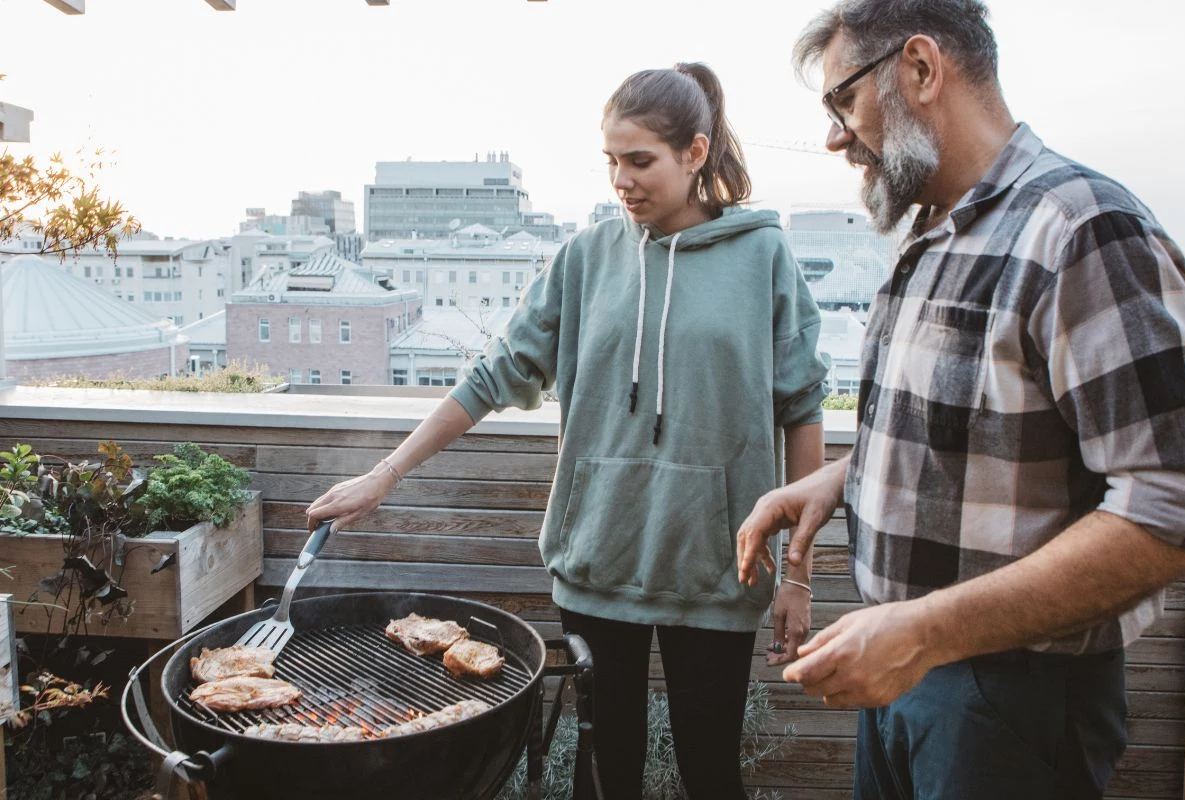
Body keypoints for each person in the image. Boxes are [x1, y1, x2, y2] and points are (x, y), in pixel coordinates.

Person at [306, 62, 829, 800]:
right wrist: (383, 475)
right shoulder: (584, 260)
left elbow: (802, 410)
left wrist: (799, 573)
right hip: (598, 561)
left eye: (641, 160)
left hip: (718, 566)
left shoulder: (763, 258)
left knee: (710, 775)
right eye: (612, 160)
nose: (623, 180)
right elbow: (491, 377)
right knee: (602, 775)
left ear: (697, 152)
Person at [734, 2, 1185, 798]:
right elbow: (990, 429)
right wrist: (844, 477)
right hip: (906, 669)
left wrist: (924, 631)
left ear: (920, 69)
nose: (835, 137)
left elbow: (1176, 500)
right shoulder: (937, 232)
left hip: (1010, 694)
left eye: (843, 101)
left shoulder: (1083, 229)